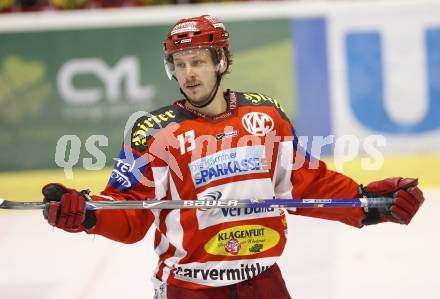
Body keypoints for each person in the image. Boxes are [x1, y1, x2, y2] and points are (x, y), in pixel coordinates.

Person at [41, 15, 425, 299]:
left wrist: (366, 202)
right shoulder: (153, 132)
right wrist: (88, 214)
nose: (189, 73)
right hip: (190, 287)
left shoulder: (265, 117)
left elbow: (305, 183)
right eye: (180, 63)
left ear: (221, 62)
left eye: (198, 60)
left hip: (263, 280)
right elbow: (129, 210)